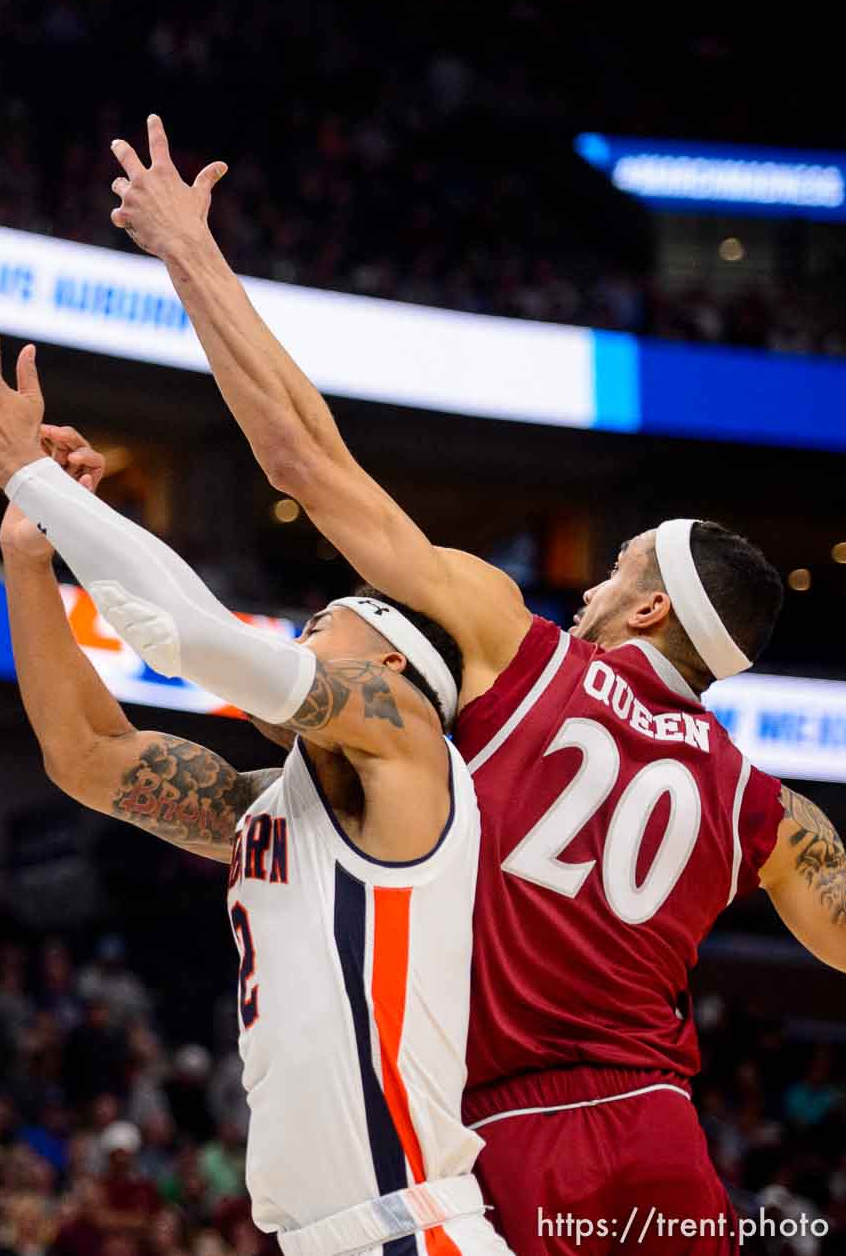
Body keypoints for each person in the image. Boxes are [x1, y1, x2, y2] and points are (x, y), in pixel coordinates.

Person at [103, 113, 846, 1254]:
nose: (591, 588)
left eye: (615, 570)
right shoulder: (768, 808)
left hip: (505, 1134)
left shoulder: (523, 648)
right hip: (663, 1139)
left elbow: (308, 459)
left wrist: (192, 256)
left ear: (648, 608)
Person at [0, 323, 509, 1255]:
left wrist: (30, 472)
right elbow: (88, 755)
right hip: (323, 1231)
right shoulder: (279, 808)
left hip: (410, 1225)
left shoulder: (405, 737)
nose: (296, 640)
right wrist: (28, 556)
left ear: (387, 660)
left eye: (317, 626)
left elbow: (192, 636)